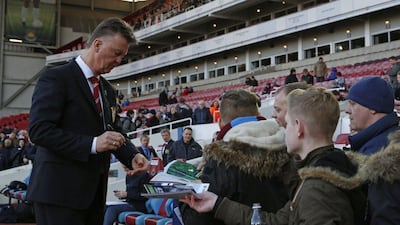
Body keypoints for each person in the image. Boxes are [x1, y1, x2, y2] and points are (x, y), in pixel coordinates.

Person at [182, 87, 366, 225]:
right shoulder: (316, 172)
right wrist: (217, 204)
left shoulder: (318, 188)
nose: (281, 128)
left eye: (286, 124)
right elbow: (276, 222)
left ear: (299, 127)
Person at [27, 18, 149, 225]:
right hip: (59, 194)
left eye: (123, 56)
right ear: (98, 45)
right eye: (117, 53)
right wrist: (92, 144)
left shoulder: (107, 90)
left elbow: (113, 129)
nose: (119, 60)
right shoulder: (57, 78)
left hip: (93, 195)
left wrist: (132, 155)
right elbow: (39, 131)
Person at [181, 89, 295, 225]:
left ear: (220, 123)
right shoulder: (292, 146)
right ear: (258, 114)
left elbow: (199, 219)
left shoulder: (221, 157)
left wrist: (185, 199)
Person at [345, 76, 399, 155]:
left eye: (353, 104)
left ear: (373, 107)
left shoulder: (377, 152)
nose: (347, 110)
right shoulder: (387, 139)